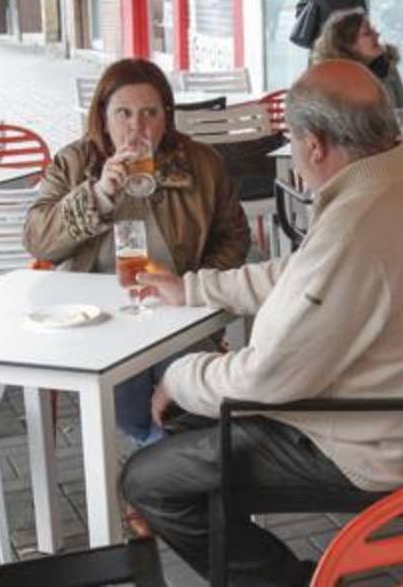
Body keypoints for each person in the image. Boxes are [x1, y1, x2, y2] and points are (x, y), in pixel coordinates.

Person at [120, 60, 403, 586]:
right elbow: (301, 273)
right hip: (365, 412)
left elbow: (268, 378)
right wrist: (193, 288)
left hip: (353, 445)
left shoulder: (360, 226)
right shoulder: (393, 185)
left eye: (292, 140)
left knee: (149, 479)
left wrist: (177, 376)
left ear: (316, 145)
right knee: (184, 431)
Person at [23, 58, 250, 446]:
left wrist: (194, 286)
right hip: (99, 316)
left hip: (175, 311)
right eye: (123, 113)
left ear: (167, 116)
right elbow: (37, 239)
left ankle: (158, 481)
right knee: (127, 405)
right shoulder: (75, 163)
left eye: (150, 113)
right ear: (103, 117)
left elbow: (234, 237)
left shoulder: (201, 164)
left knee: (185, 393)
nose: (137, 127)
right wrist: (97, 195)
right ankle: (163, 475)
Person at [311, 7, 403, 112]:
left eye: (373, 29)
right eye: (367, 33)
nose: (377, 34)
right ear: (347, 45)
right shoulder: (331, 83)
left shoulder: (387, 65)